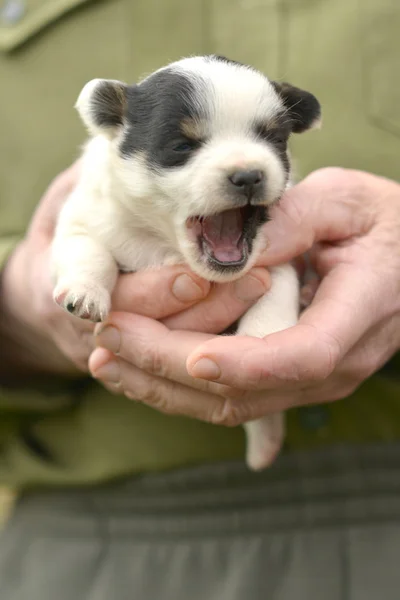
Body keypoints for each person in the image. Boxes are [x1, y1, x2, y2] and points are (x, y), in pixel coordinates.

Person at [0, 0, 399, 598]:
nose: (246, 170)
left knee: (277, 279)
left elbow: (282, 273)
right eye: (186, 147)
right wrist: (27, 307)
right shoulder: (99, 194)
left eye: (270, 138)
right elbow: (79, 237)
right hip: (98, 530)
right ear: (113, 127)